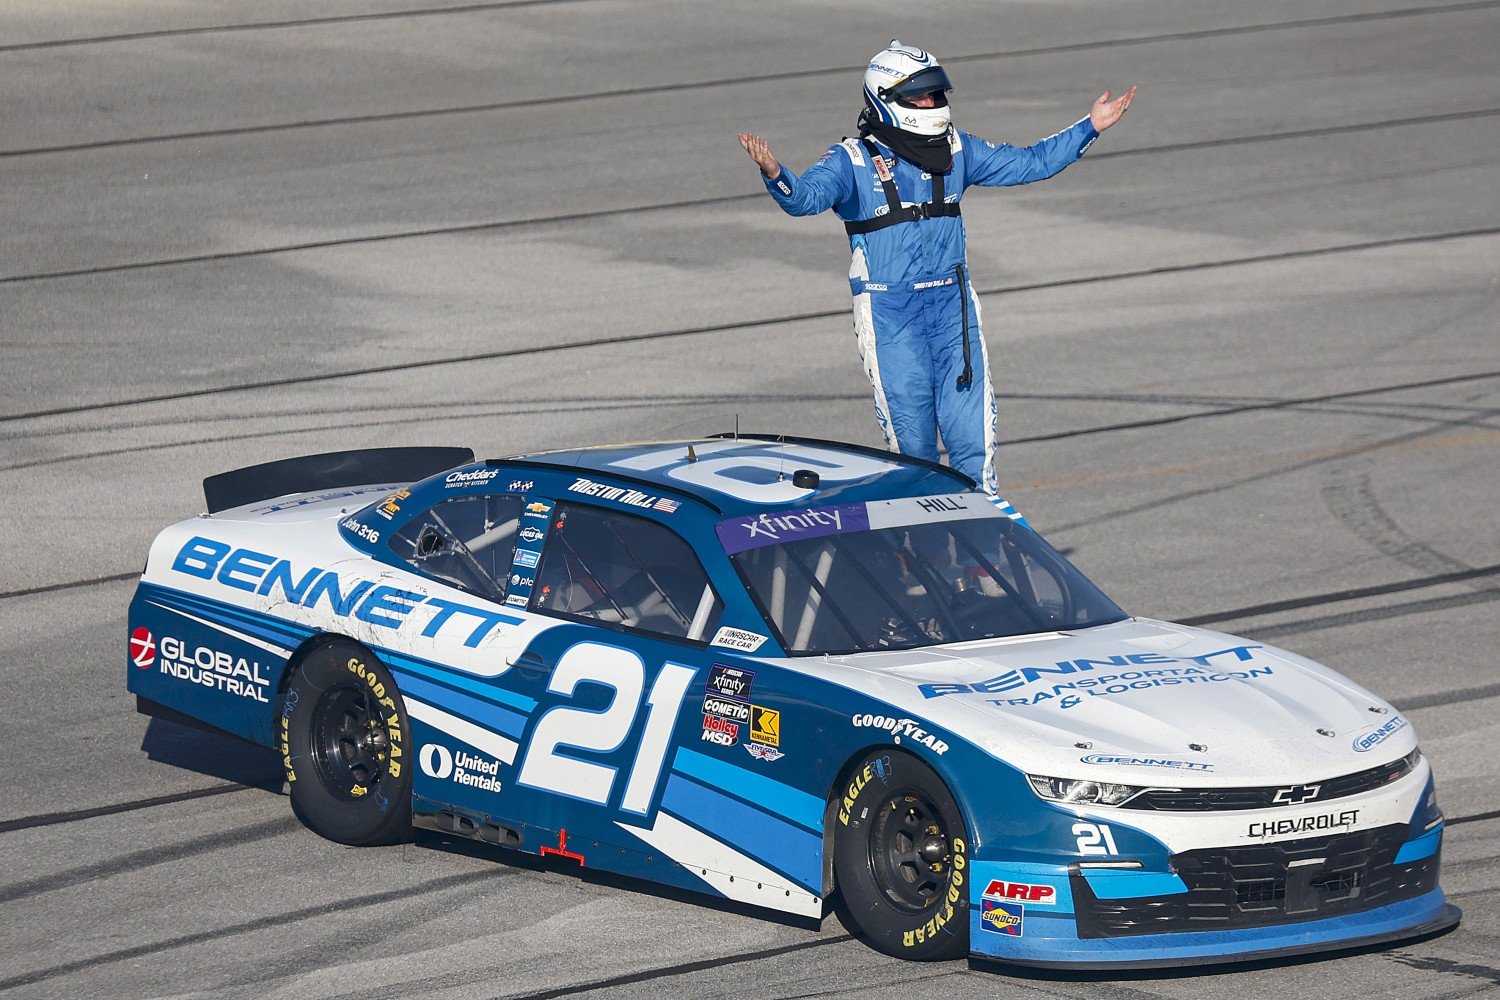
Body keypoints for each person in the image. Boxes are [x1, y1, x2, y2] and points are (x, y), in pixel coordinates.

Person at [738, 41, 1134, 495]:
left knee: (973, 450)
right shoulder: (851, 160)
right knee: (915, 459)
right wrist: (774, 171)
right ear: (886, 99)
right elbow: (803, 200)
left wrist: (1091, 126)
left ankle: (981, 559)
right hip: (891, 318)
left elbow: (1031, 163)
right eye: (919, 96)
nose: (931, 104)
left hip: (953, 312)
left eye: (935, 94)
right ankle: (915, 555)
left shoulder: (958, 149)